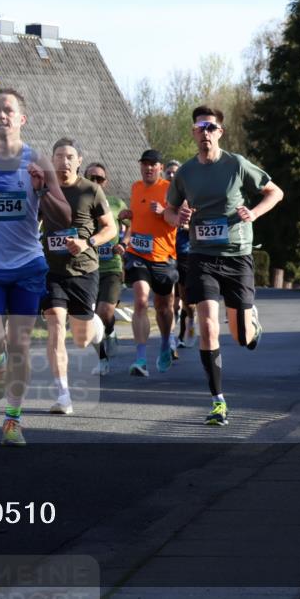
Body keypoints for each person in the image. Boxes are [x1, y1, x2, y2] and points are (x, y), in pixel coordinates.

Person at [0, 88, 70, 446]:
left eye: (8, 110)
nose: (1, 115)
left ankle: (12, 419)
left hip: (27, 265)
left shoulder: (37, 160)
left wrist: (42, 190)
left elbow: (64, 216)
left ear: (21, 118)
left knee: (20, 344)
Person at [165, 105, 283, 426]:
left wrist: (253, 213)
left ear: (220, 132)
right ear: (193, 133)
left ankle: (250, 321)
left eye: (210, 127)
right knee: (207, 325)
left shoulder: (237, 164)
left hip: (237, 254)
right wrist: (178, 218)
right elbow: (169, 211)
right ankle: (218, 400)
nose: (205, 133)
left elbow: (275, 192)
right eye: (200, 128)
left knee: (243, 338)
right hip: (201, 256)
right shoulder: (185, 173)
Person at [40, 140, 115, 414]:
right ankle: (63, 395)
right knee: (56, 326)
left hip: (84, 270)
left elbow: (110, 228)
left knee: (82, 339)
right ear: (52, 159)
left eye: (70, 156)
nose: (65, 161)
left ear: (79, 160)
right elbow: (31, 221)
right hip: (52, 271)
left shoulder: (90, 190)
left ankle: (97, 327)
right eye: (59, 156)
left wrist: (88, 242)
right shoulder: (45, 190)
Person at [118, 149, 179, 377]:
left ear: (160, 167)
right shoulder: (135, 187)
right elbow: (138, 216)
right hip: (138, 254)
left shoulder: (170, 188)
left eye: (153, 164)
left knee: (164, 308)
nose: (148, 168)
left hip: (164, 257)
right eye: (145, 164)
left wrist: (164, 211)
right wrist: (128, 214)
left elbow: (180, 219)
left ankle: (165, 342)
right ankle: (141, 359)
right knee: (141, 301)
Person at [84, 163, 127, 376]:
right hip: (86, 267)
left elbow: (134, 222)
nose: (95, 182)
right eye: (91, 178)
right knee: (90, 317)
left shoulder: (116, 203)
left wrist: (124, 243)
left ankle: (109, 330)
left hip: (111, 267)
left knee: (104, 312)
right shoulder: (78, 202)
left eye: (99, 179)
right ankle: (101, 358)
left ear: (105, 182)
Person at [166, 161, 196, 348]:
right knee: (171, 302)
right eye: (168, 172)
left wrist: (183, 224)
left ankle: (189, 323)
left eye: (175, 173)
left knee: (187, 301)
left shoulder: (190, 197)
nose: (171, 176)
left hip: (185, 252)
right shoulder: (163, 197)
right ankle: (171, 339)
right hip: (166, 253)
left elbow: (198, 224)